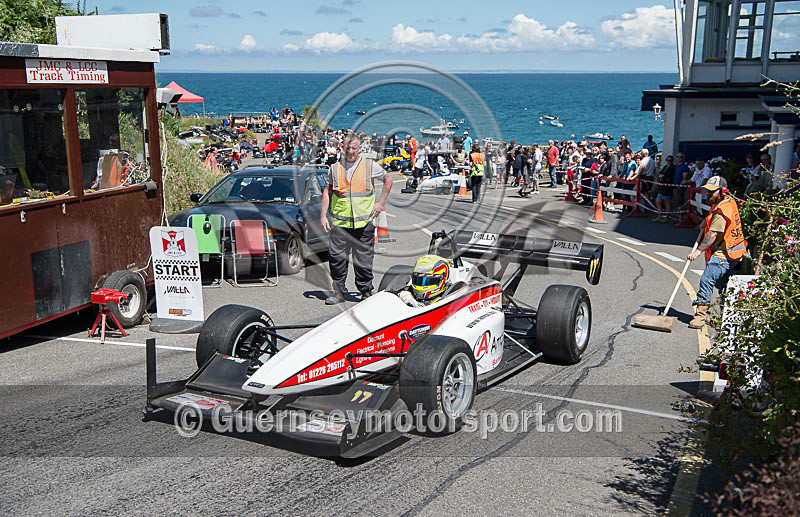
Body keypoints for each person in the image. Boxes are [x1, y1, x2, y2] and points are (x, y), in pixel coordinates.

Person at [320, 133, 393, 304]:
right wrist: (323, 215)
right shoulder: (334, 168)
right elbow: (327, 193)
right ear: (342, 148)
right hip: (340, 224)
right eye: (348, 148)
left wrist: (380, 203)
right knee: (337, 260)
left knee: (363, 261)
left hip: (364, 223)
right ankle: (338, 293)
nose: (351, 151)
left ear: (360, 149)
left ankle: (366, 291)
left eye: (354, 148)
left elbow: (388, 180)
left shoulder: (369, 166)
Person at [687, 176, 747, 328]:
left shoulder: (722, 210)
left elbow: (713, 234)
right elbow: (712, 220)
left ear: (722, 191)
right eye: (707, 191)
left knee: (707, 280)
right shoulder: (726, 202)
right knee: (724, 286)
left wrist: (698, 251)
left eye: (712, 192)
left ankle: (700, 317)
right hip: (733, 253)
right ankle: (725, 318)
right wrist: (704, 223)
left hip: (723, 254)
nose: (708, 194)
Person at [653, 155, 675, 222]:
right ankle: (659, 216)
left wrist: (662, 176)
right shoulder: (665, 166)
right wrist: (662, 176)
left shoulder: (672, 168)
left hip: (667, 187)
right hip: (662, 186)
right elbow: (660, 173)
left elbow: (667, 176)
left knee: (667, 202)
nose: (668, 161)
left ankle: (667, 218)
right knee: (658, 201)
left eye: (670, 160)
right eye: (667, 160)